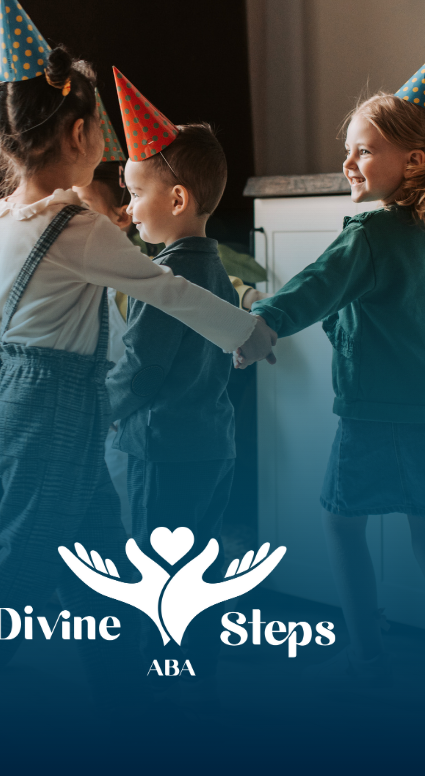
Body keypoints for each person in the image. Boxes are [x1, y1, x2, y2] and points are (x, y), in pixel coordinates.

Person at [0, 0, 276, 710]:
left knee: (99, 560)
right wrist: (246, 329)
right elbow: (168, 289)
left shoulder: (0, 217)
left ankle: (126, 696)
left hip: (21, 401)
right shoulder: (79, 228)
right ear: (83, 136)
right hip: (59, 406)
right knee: (27, 560)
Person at [248, 32, 425, 716]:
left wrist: (261, 321)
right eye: (349, 149)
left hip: (374, 411)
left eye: (363, 150)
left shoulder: (370, 233)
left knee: (341, 526)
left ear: (412, 161)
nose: (348, 161)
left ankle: (367, 660)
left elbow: (316, 286)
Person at [106, 69, 242, 702]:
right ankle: (200, 678)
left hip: (159, 449)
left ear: (178, 198)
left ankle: (159, 689)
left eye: (136, 193)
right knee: (200, 570)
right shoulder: (215, 272)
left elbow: (140, 368)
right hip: (212, 445)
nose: (128, 209)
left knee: (155, 576)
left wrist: (98, 410)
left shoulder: (164, 283)